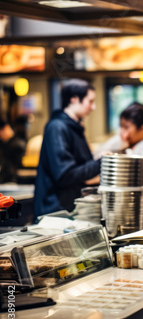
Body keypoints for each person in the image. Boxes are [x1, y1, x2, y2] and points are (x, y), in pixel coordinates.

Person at [34, 79, 103, 219]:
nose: (93, 107)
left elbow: (80, 168)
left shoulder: (76, 127)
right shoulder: (57, 127)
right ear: (74, 99)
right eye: (90, 101)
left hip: (69, 209)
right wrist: (100, 162)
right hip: (54, 213)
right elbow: (65, 175)